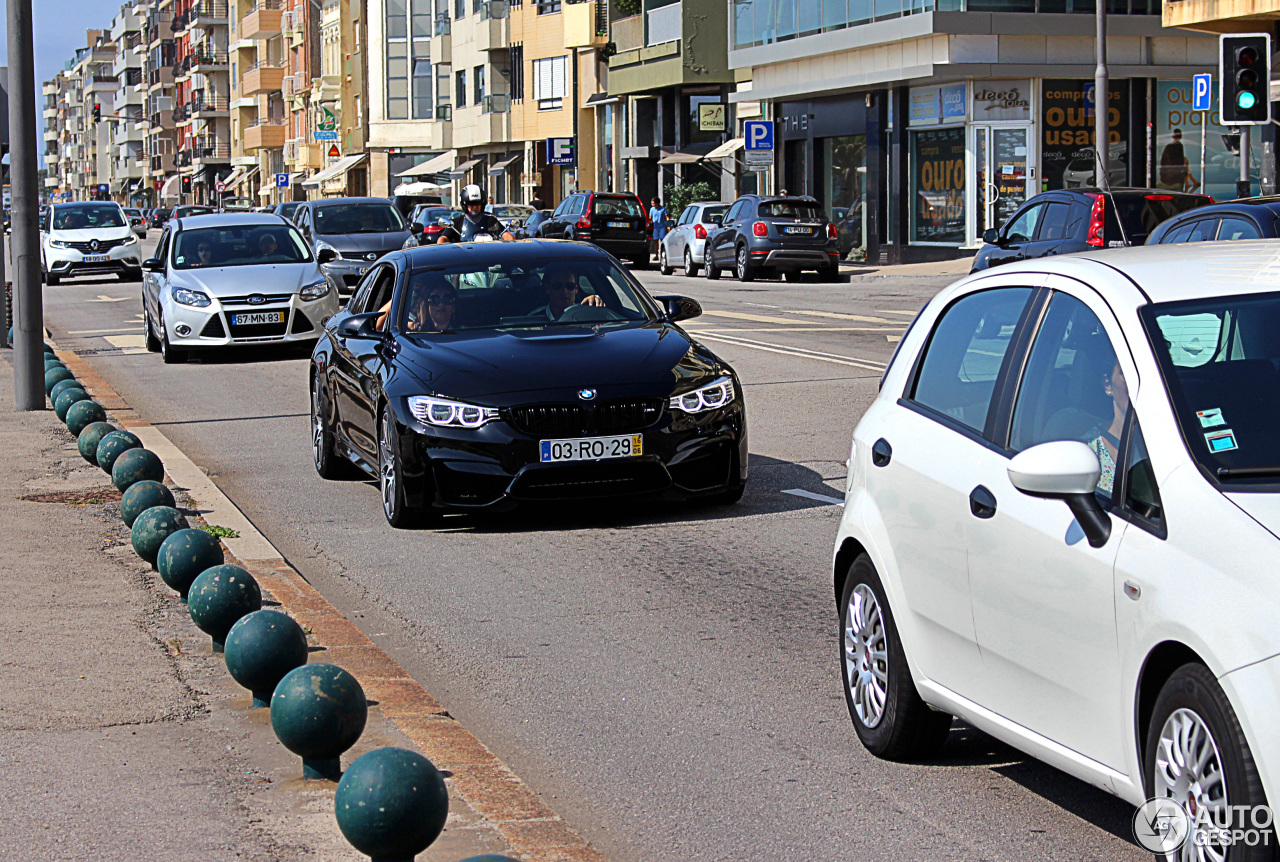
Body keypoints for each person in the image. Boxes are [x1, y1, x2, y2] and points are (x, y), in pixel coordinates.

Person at [1087, 360, 1129, 497]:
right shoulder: (1089, 449)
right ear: (1107, 384)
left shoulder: (1175, 440)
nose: (1137, 384)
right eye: (1126, 373)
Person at [527, 264, 605, 320]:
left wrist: (596, 304)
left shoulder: (588, 312)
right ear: (547, 288)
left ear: (576, 289)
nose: (564, 291)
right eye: (557, 286)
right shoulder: (533, 318)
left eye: (570, 286)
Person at [448, 183, 514, 242]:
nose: (474, 207)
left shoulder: (490, 220)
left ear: (482, 204)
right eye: (471, 204)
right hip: (465, 254)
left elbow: (505, 234)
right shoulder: (457, 222)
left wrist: (513, 244)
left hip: (489, 252)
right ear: (464, 205)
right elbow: (443, 238)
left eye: (477, 203)